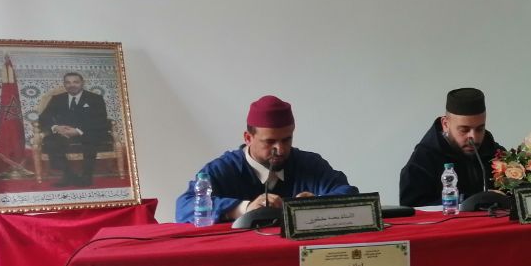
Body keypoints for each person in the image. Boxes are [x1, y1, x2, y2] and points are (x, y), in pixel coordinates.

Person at [175, 95, 357, 223]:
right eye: (270, 142)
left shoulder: (310, 165)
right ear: (248, 138)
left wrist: (317, 203)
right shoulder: (223, 169)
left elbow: (350, 195)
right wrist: (244, 209)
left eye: (287, 140)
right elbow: (184, 207)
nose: (280, 149)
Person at [399, 88, 503, 207]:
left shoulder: (495, 152)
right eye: (464, 130)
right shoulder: (422, 160)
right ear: (445, 124)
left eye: (479, 129)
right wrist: (468, 200)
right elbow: (412, 207)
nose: (473, 137)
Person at [38, 72, 111, 187]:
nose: (72, 85)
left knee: (91, 139)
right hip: (63, 133)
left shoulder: (95, 98)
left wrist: (78, 131)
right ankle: (68, 175)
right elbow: (43, 117)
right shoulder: (57, 99)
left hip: (87, 132)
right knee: (50, 141)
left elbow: (100, 120)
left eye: (75, 82)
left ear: (82, 83)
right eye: (68, 82)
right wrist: (56, 127)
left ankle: (86, 176)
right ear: (64, 84)